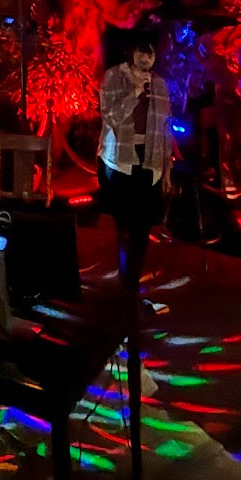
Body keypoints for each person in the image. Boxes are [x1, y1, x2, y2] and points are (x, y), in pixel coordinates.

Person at [98, 38, 173, 292]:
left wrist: (167, 168)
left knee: (142, 225)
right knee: (124, 222)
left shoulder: (159, 83)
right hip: (120, 159)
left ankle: (132, 279)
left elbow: (165, 126)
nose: (146, 59)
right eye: (142, 52)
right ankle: (124, 272)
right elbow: (111, 117)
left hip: (150, 159)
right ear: (131, 52)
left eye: (151, 54)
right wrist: (136, 92)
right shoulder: (114, 76)